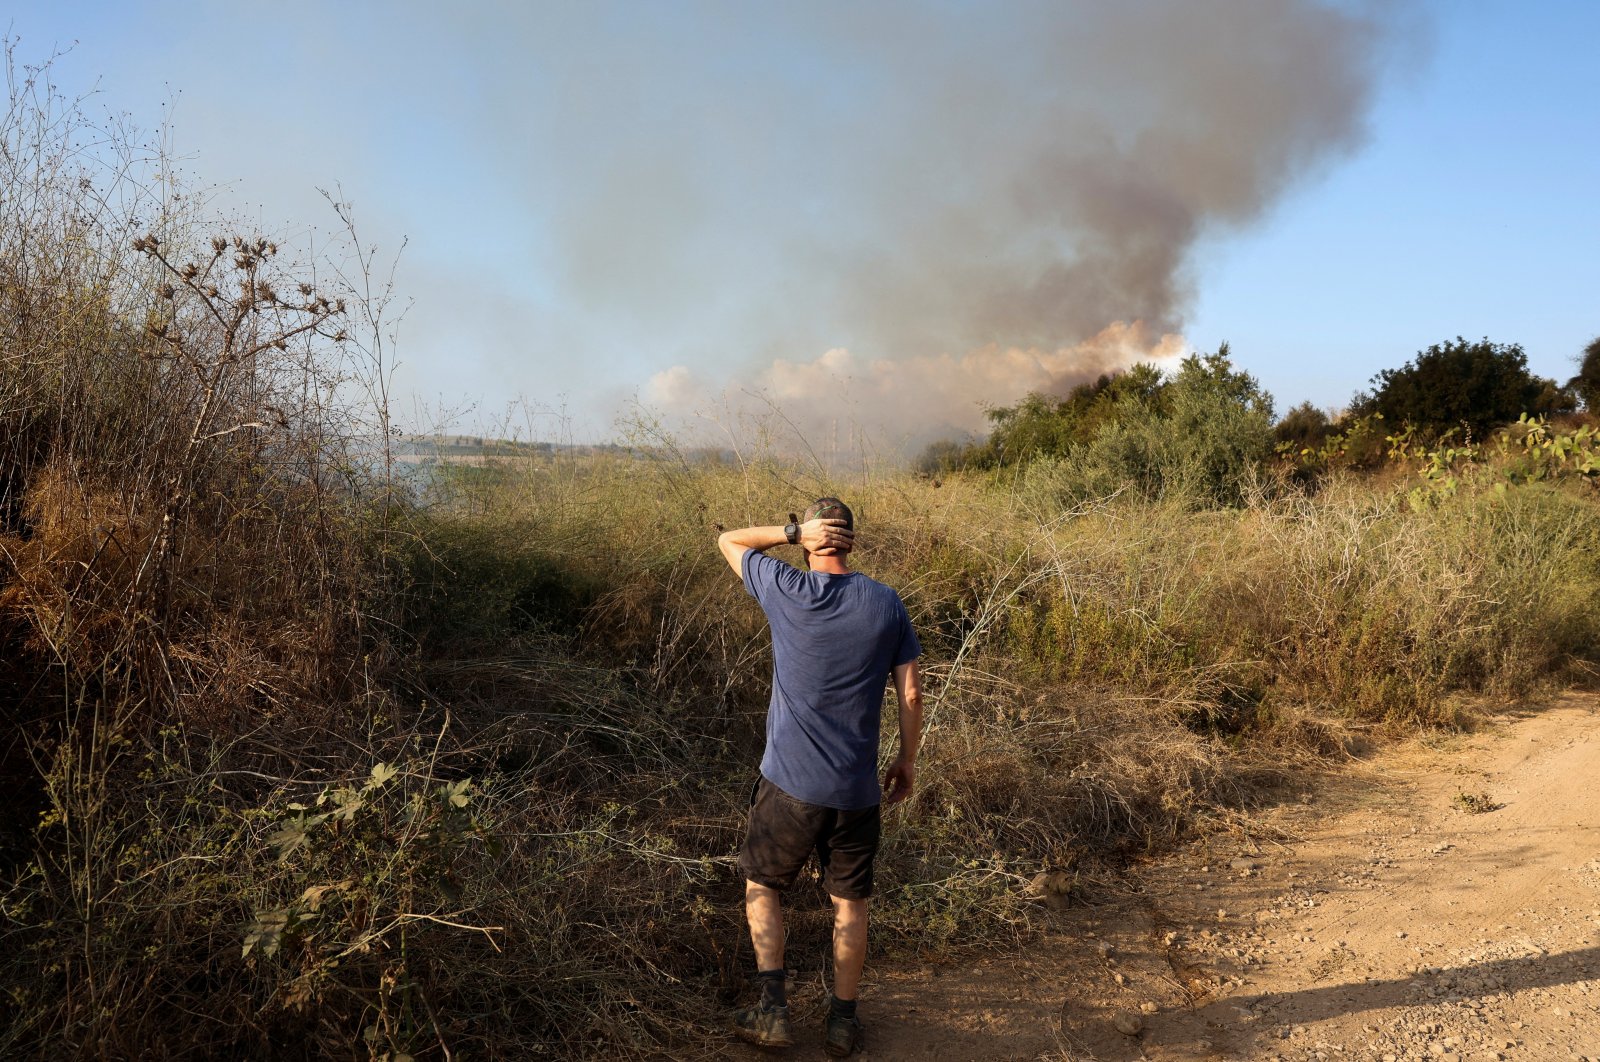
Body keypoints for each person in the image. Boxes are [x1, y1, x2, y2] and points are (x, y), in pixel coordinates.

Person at [716, 497, 923, 1056]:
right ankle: (841, 1023)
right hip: (857, 790)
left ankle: (773, 1012)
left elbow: (728, 540)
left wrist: (788, 533)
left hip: (788, 783)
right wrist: (905, 760)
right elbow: (910, 691)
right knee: (850, 904)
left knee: (762, 885)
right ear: (851, 538)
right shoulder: (885, 603)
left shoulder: (786, 588)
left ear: (812, 537)